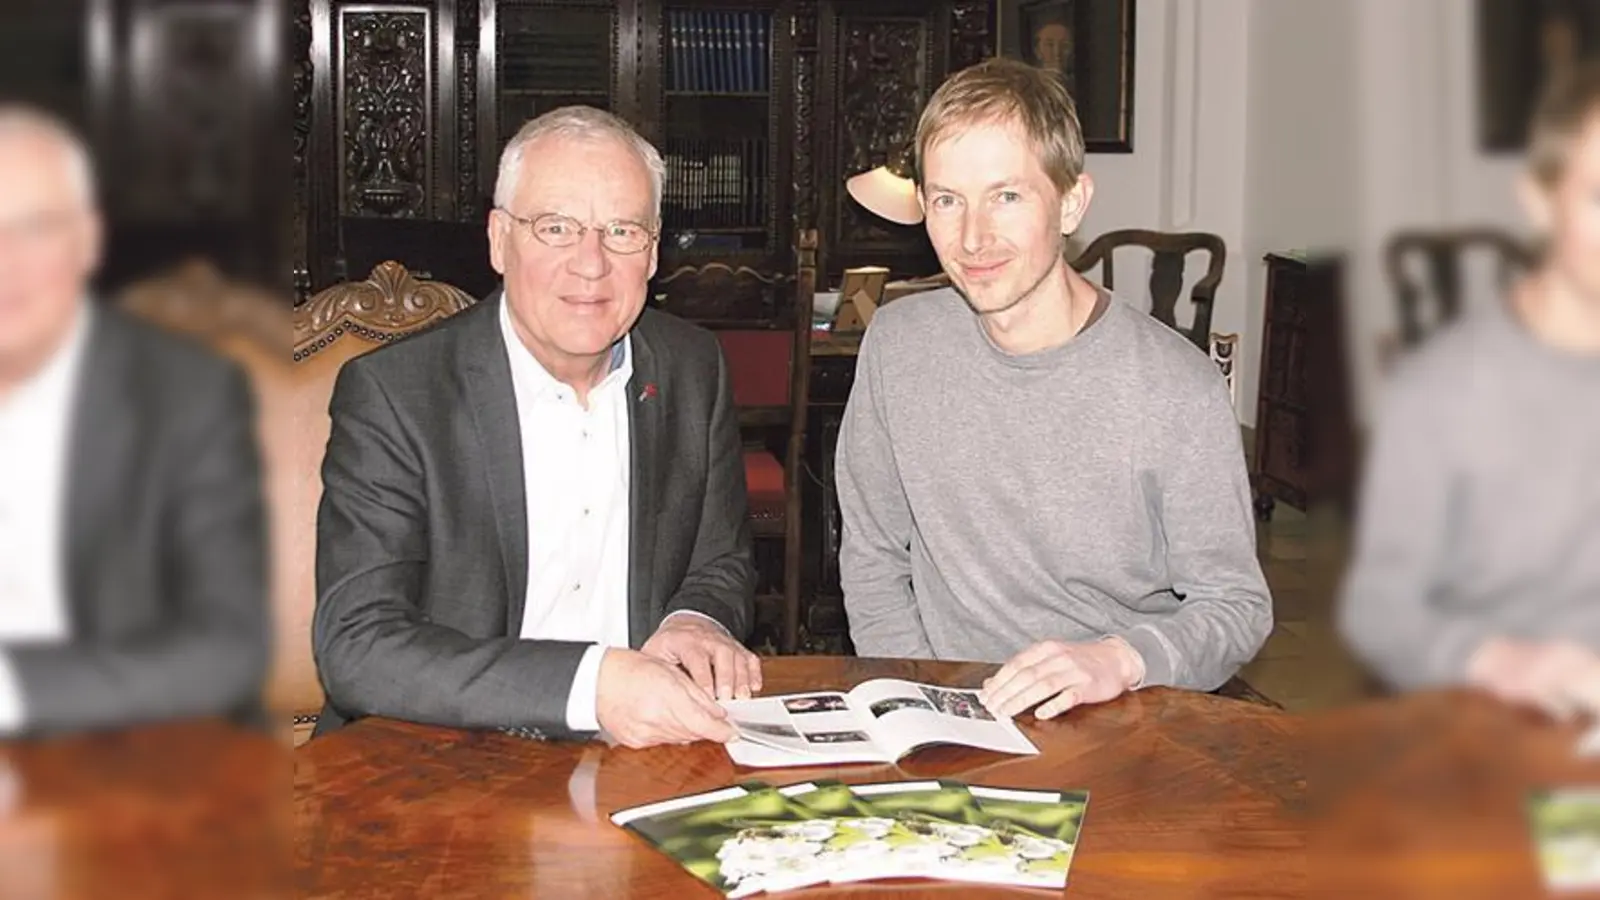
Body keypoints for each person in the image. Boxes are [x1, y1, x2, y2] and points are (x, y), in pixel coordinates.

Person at [836, 59, 1271, 722]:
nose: (973, 237)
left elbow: (1238, 607)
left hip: (1120, 718)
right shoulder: (898, 346)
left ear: (1071, 203)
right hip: (946, 711)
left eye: (1006, 196)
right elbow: (871, 553)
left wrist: (1120, 659)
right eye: (948, 200)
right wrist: (918, 697)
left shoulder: (1175, 388)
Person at [313, 106, 760, 748]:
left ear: (654, 251)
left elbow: (718, 560)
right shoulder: (397, 395)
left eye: (622, 231)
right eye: (556, 228)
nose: (591, 263)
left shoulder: (693, 366)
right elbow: (358, 645)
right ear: (499, 241)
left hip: (645, 754)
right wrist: (591, 686)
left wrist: (696, 619)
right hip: (442, 758)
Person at [1338, 63, 1600, 715]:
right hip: (1508, 733)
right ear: (1540, 202)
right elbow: (1377, 607)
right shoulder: (1445, 390)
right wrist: (1504, 661)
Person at [0, 105, 268, 736]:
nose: (4, 260)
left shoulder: (185, 395)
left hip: (124, 760)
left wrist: (13, 690)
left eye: (33, 228)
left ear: (88, 240)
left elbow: (227, 646)